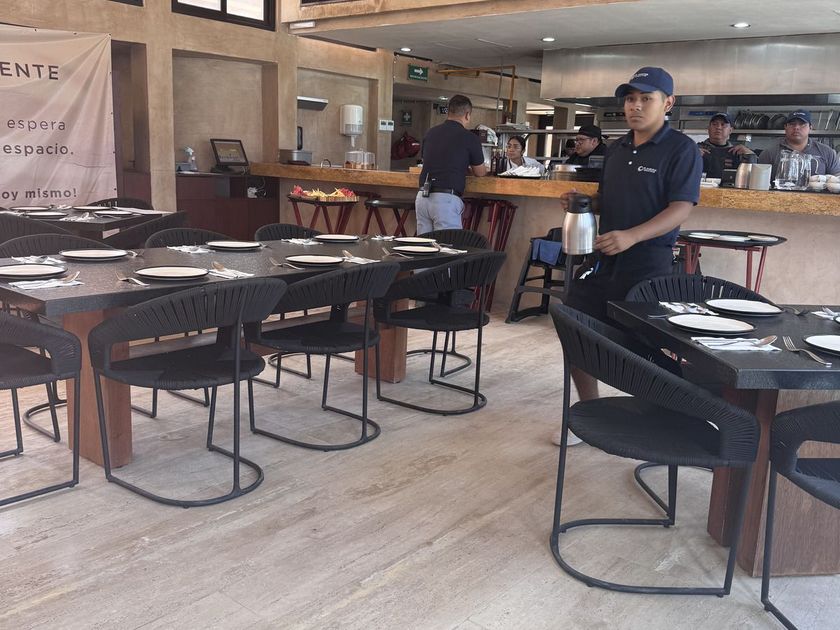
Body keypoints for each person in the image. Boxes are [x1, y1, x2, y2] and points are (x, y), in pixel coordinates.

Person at [552, 67, 702, 447]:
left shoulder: (682, 149)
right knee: (575, 327)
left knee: (643, 348)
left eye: (646, 98)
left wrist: (632, 236)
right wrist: (585, 203)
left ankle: (653, 422)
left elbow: (681, 208)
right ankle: (589, 411)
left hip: (648, 262)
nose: (635, 106)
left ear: (667, 103)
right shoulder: (617, 149)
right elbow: (609, 198)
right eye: (630, 98)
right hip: (605, 257)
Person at [415, 94, 488, 233]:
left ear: (448, 112)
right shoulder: (470, 138)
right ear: (467, 115)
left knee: (423, 244)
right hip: (446, 200)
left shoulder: (430, 133)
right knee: (448, 245)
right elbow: (480, 172)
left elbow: (429, 161)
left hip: (423, 197)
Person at [758, 110, 840, 180]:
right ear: (785, 127)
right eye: (792, 124)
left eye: (802, 124)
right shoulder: (769, 153)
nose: (796, 127)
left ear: (810, 128)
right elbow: (759, 182)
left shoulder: (827, 152)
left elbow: (836, 180)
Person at [697, 113, 754, 178]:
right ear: (708, 128)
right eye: (714, 124)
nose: (718, 127)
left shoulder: (738, 152)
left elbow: (752, 175)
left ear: (730, 130)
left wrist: (750, 155)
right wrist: (691, 156)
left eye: (723, 125)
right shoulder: (695, 150)